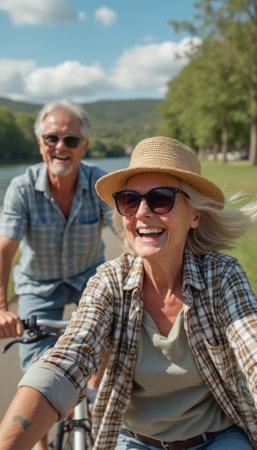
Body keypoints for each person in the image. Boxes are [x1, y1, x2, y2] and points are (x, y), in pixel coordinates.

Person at [0, 135, 256, 450]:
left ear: (194, 215)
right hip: (135, 442)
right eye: (130, 200)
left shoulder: (222, 276)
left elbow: (252, 348)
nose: (143, 212)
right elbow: (66, 361)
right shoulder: (109, 282)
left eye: (161, 198)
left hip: (216, 440)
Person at [0, 98, 113, 450]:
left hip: (87, 276)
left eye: (71, 140)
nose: (61, 147)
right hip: (39, 283)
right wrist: (2, 306)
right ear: (40, 144)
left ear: (84, 147)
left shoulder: (100, 183)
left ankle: (92, 391)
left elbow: (125, 230)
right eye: (52, 138)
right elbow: (5, 249)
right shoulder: (22, 187)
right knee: (38, 364)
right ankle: (41, 442)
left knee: (115, 322)